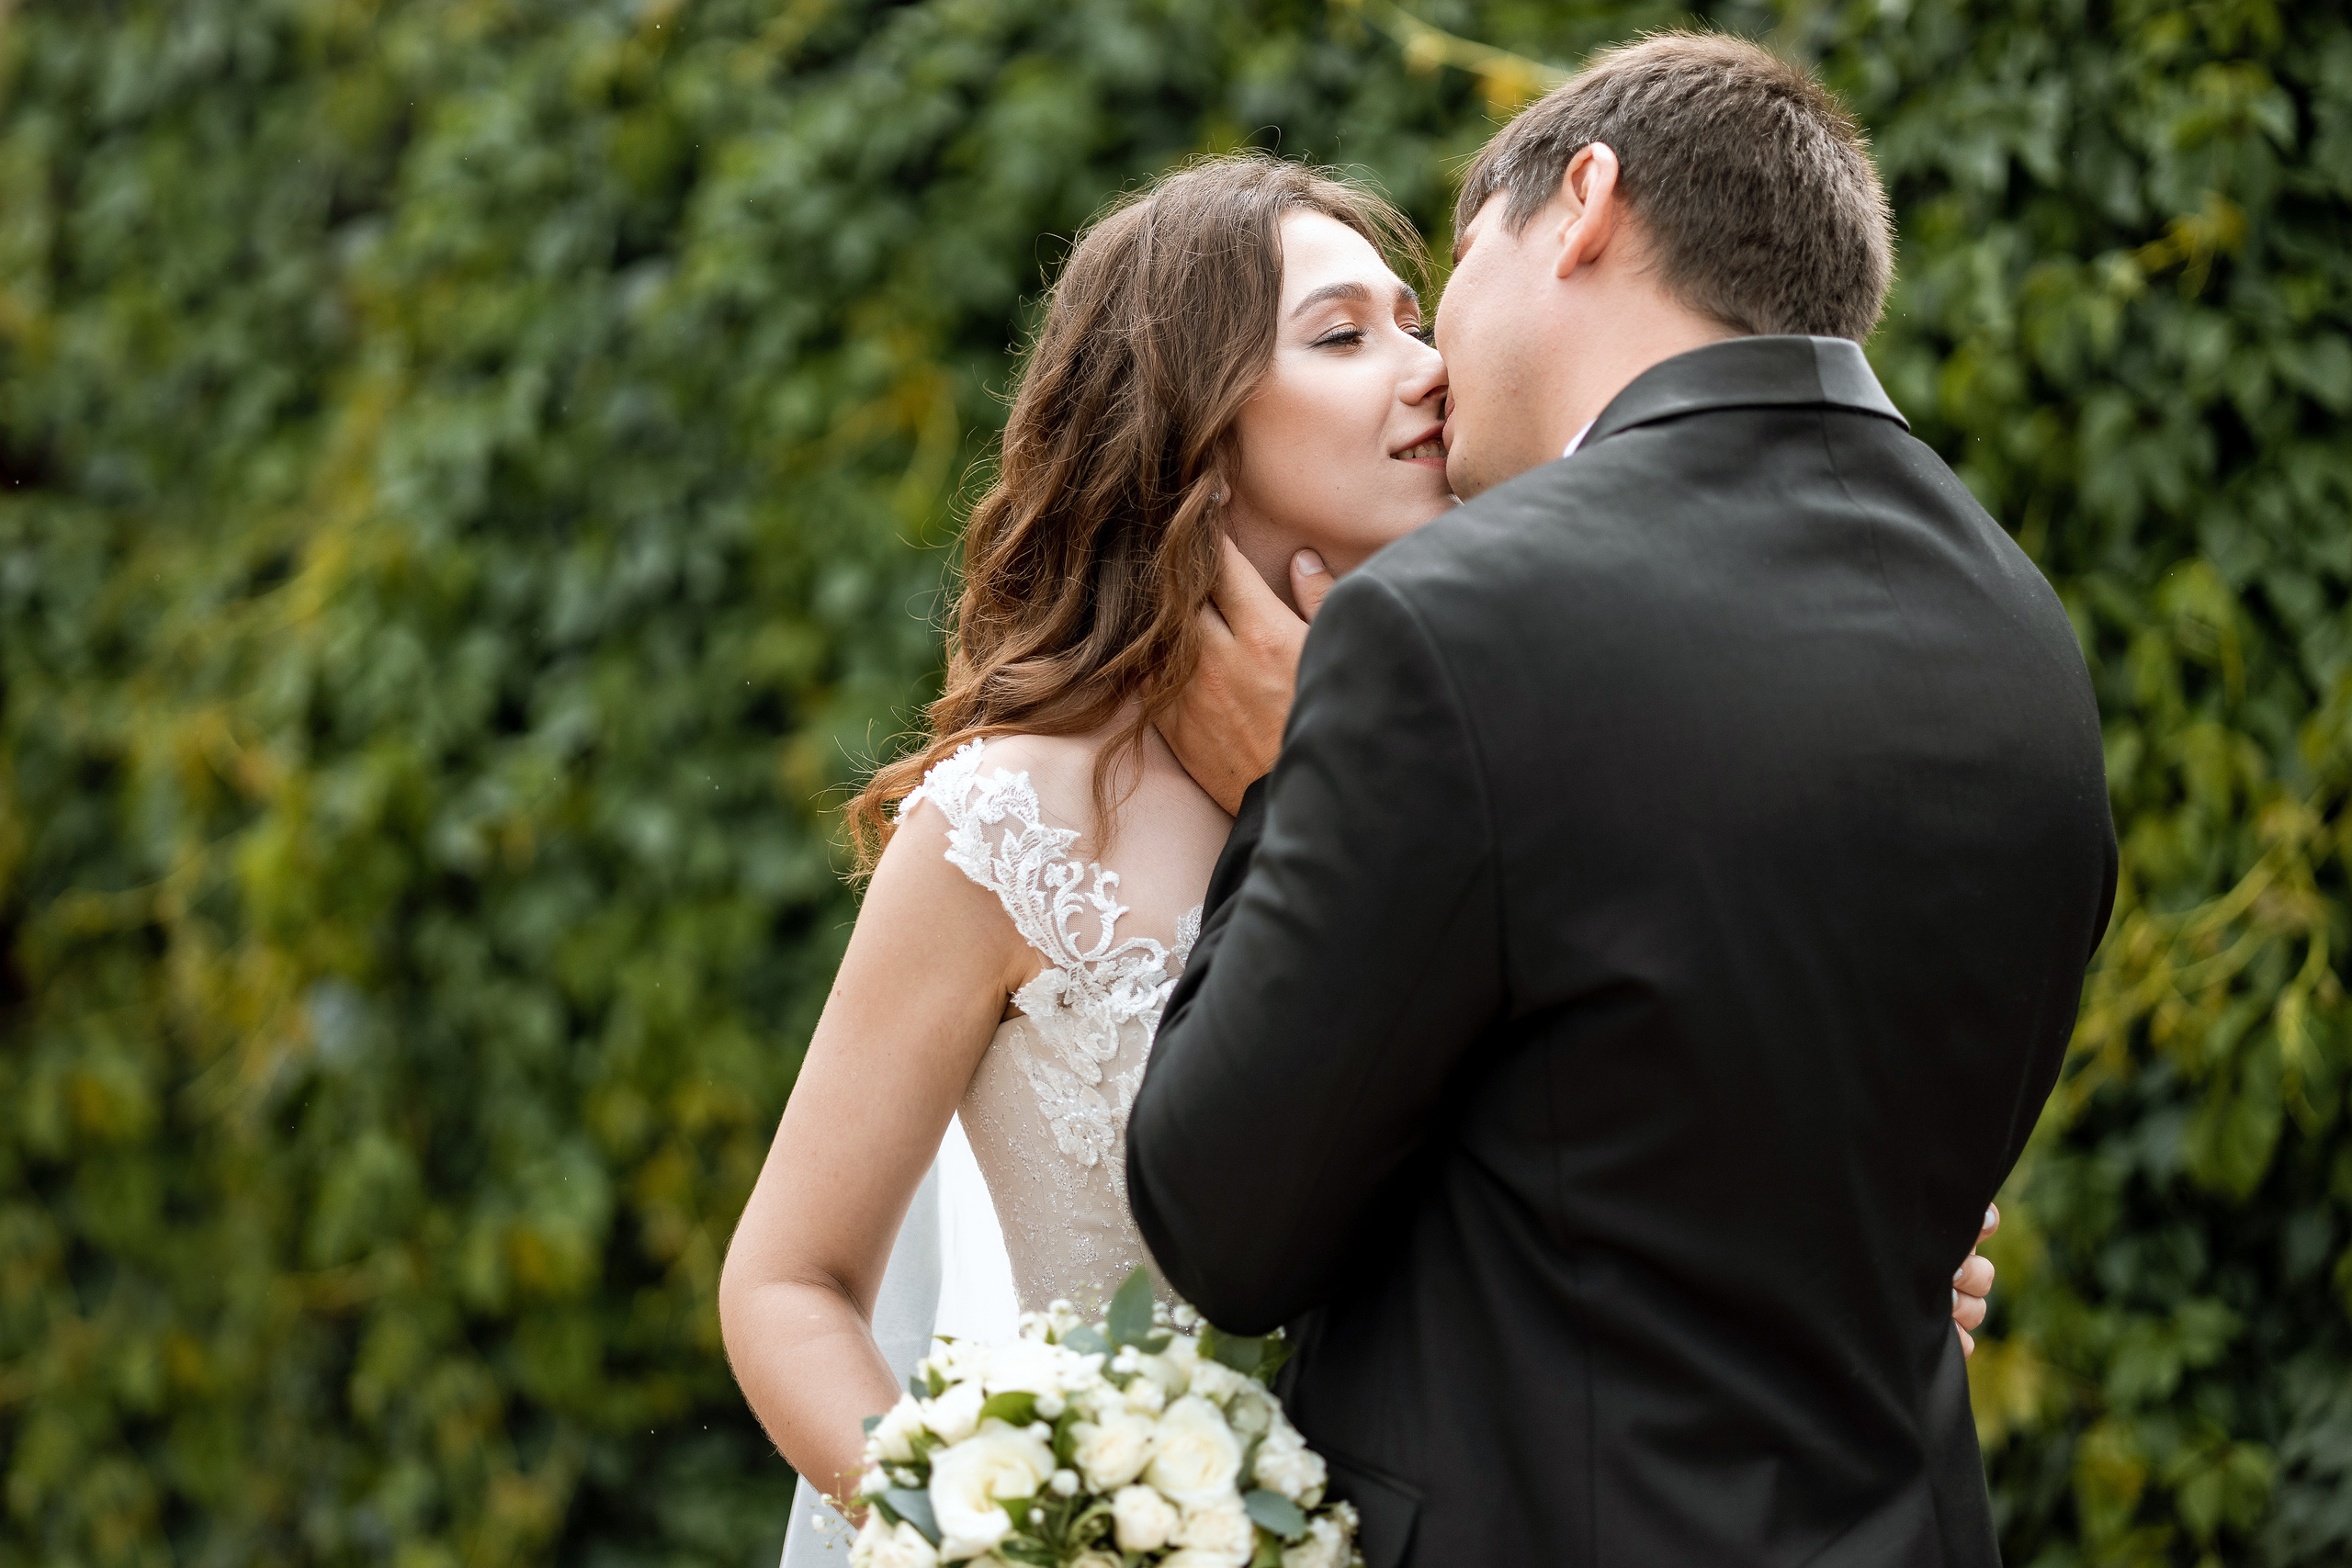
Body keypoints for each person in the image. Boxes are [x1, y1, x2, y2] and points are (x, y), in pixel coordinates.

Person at [718, 146, 1998, 1564]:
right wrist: (1002, 1532)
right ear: (1189, 423)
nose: (1431, 368)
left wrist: (1855, 1243)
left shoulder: (1545, 749)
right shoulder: (1013, 824)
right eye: (1342, 336)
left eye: (1416, 319)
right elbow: (789, 1282)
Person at [1125, 31, 2116, 1568]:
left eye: (1457, 261)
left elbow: (1221, 1221)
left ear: (1583, 203)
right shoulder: (2022, 633)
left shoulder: (1457, 623)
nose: (1435, 360)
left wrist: (1284, 780)